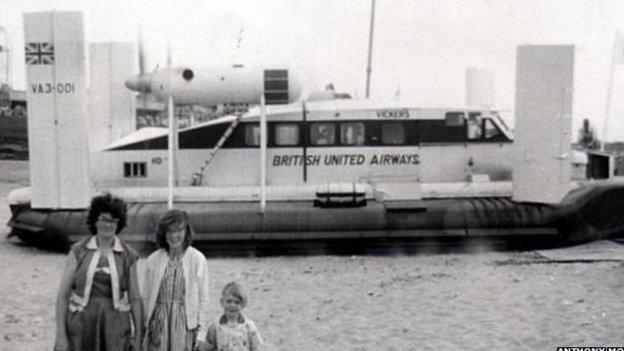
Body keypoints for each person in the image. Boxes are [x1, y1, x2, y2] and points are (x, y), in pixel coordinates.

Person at [54, 193, 143, 351]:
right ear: (95, 221)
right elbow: (63, 296)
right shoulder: (78, 251)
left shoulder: (128, 255)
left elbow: (135, 298)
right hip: (80, 327)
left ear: (119, 224)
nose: (108, 225)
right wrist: (61, 335)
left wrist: (138, 337)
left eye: (113, 221)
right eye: (103, 219)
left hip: (115, 328)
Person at [143, 209, 210, 351]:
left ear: (186, 232)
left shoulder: (197, 259)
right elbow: (146, 296)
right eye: (170, 231)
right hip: (158, 323)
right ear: (163, 233)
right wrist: (143, 327)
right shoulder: (153, 260)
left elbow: (204, 299)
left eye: (179, 230)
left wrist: (201, 333)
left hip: (185, 324)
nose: (174, 236)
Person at [204, 282, 263, 351]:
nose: (232, 305)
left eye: (237, 302)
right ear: (222, 302)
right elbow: (209, 347)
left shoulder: (249, 327)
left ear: (243, 305)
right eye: (229, 301)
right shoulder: (214, 326)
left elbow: (257, 347)